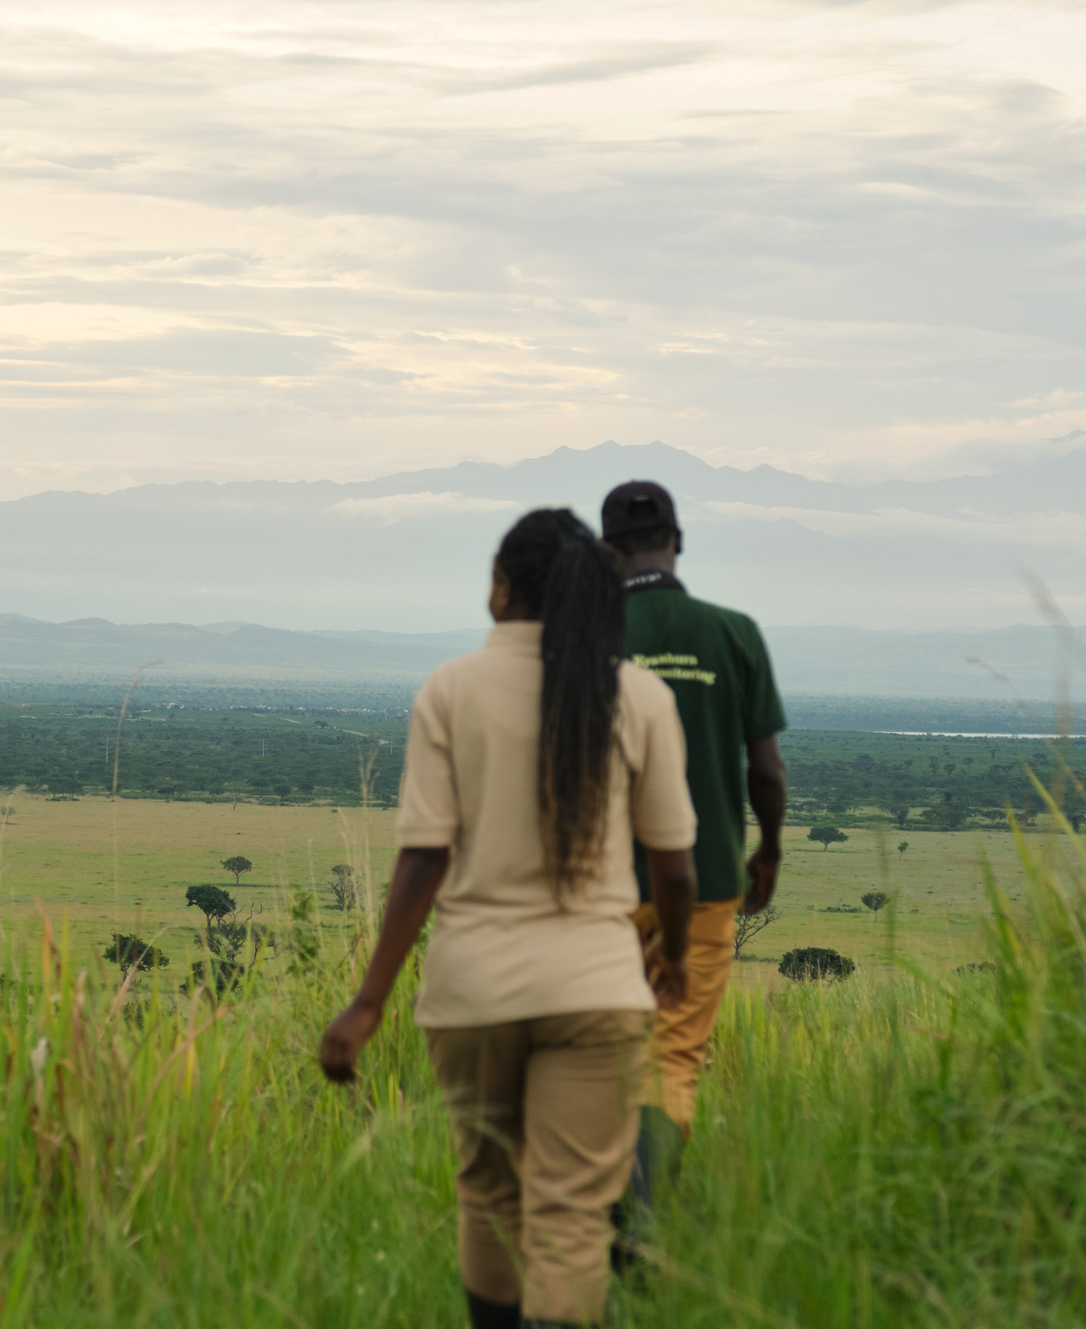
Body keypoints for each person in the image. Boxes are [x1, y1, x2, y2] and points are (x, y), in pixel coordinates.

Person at [319, 508, 699, 1329]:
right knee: (570, 1213)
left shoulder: (450, 690)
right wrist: (670, 954)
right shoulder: (640, 697)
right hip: (595, 988)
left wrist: (368, 1000)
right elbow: (674, 862)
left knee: (488, 1192)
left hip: (474, 990)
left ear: (502, 586)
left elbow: (424, 858)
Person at [599, 480, 788, 1147]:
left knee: (600, 1053)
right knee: (672, 1056)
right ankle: (642, 1214)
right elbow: (764, 768)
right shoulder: (734, 633)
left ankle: (594, 1198)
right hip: (706, 880)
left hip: (601, 883)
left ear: (606, 550)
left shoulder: (585, 636)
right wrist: (767, 850)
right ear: (677, 542)